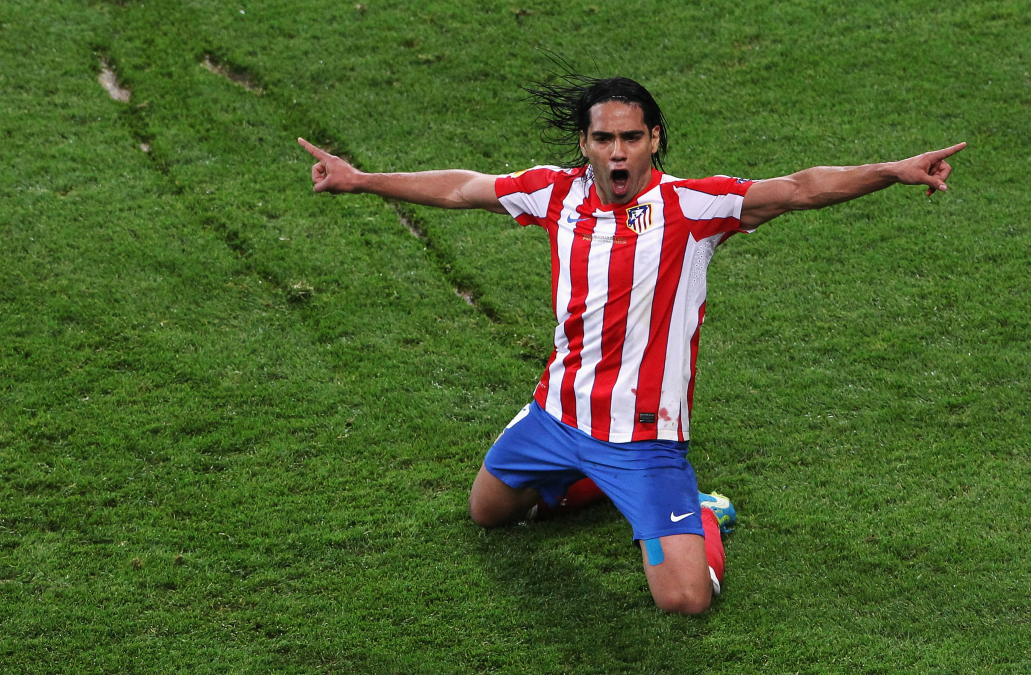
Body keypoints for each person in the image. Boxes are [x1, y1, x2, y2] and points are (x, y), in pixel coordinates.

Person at [299, 74, 964, 614]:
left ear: (654, 140)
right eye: (603, 138)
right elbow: (461, 186)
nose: (617, 152)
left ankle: (702, 513)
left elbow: (796, 188)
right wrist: (361, 180)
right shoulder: (553, 193)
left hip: (644, 437)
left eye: (630, 138)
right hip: (555, 414)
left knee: (684, 599)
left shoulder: (692, 208)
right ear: (584, 144)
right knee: (488, 514)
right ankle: (587, 480)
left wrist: (891, 170)